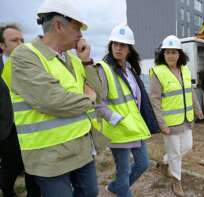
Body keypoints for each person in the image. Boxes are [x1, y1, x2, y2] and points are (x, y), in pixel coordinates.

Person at [10, 0, 99, 196]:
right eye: (77, 28)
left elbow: (98, 90)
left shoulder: (74, 60)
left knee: (90, 193)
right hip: (49, 156)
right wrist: (89, 100)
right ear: (59, 26)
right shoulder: (24, 56)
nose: (81, 35)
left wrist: (87, 62)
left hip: (81, 148)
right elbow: (53, 101)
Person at [85, 23, 160, 197]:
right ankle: (122, 191)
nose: (118, 48)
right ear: (111, 45)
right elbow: (96, 101)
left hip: (133, 127)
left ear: (129, 49)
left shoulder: (130, 69)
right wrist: (115, 118)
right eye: (115, 44)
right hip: (119, 129)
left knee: (143, 164)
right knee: (124, 172)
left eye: (123, 45)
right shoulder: (103, 69)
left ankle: (115, 188)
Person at [149, 35, 204, 196]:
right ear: (163, 54)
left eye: (174, 52)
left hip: (186, 119)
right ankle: (176, 181)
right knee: (174, 153)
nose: (171, 55)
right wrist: (162, 124)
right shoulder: (157, 72)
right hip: (169, 122)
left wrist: (198, 109)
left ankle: (165, 162)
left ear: (179, 54)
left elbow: (190, 91)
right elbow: (155, 100)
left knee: (187, 147)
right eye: (167, 52)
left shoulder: (185, 70)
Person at [0, 24, 41, 197]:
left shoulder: (30, 66)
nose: (20, 44)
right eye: (14, 40)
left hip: (31, 129)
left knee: (33, 170)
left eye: (22, 40)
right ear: (2, 45)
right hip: (7, 131)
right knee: (11, 168)